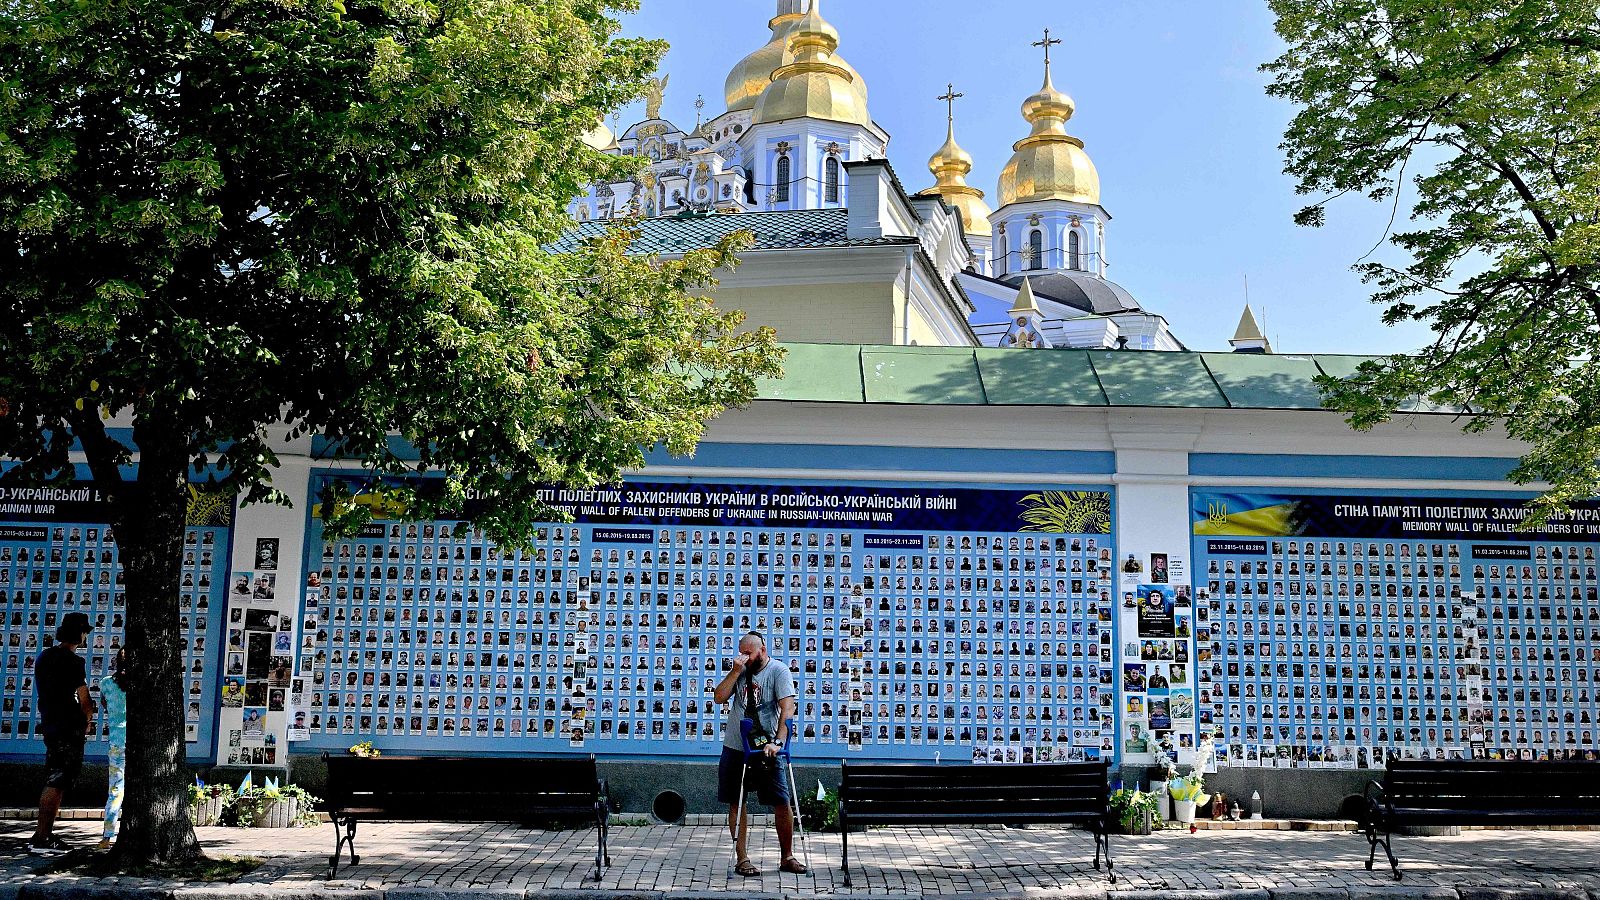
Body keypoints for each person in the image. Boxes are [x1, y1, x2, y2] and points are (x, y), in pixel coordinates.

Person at [712, 632, 805, 877]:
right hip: (736, 746)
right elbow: (719, 697)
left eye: (748, 653)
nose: (743, 657)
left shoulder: (778, 671)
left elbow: (787, 708)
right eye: (740, 653)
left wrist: (778, 741)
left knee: (781, 801)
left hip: (766, 746)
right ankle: (742, 858)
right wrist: (735, 672)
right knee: (737, 801)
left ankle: (787, 856)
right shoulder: (740, 670)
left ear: (762, 650)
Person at [31, 612, 94, 855]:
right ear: (80, 633)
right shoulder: (74, 662)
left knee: (56, 778)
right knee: (58, 780)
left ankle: (43, 834)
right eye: (85, 632)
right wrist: (87, 720)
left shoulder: (44, 657)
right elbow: (84, 698)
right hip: (68, 727)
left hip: (50, 723)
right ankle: (43, 837)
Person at [97, 647, 130, 849]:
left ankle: (107, 837)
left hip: (117, 742)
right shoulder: (142, 685)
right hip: (138, 742)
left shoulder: (106, 683)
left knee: (116, 789)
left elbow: (105, 704)